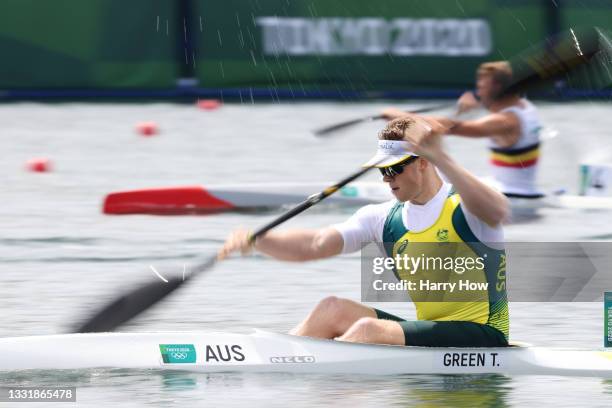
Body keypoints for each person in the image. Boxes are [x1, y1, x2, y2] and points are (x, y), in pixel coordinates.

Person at [218, 115, 510, 347]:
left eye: (394, 169)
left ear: (423, 162)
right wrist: (258, 241)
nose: (387, 179)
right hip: (435, 334)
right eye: (382, 171)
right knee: (332, 309)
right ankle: (278, 360)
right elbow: (317, 243)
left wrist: (443, 157)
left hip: (483, 334)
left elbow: (499, 212)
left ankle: (315, 371)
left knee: (368, 329)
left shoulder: (466, 206)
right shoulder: (381, 218)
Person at [383, 61, 543, 198]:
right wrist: (465, 110)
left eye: (482, 87)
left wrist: (399, 116)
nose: (478, 92)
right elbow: (491, 114)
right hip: (518, 189)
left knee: (428, 155)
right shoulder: (525, 109)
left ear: (498, 88)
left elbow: (449, 127)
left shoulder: (505, 122)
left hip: (509, 194)